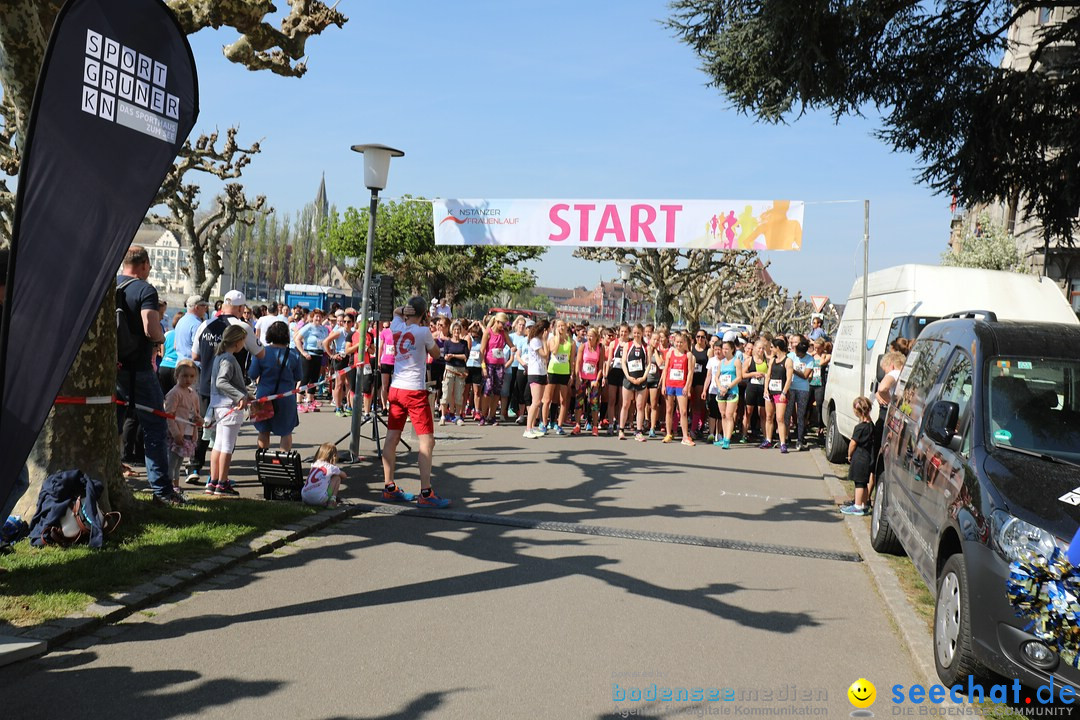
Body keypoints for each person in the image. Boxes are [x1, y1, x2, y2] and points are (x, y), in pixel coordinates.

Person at [115, 246, 185, 505]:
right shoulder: (144, 289)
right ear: (143, 264)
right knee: (155, 425)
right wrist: (159, 339)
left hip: (112, 369)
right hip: (139, 369)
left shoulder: (110, 284)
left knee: (114, 424)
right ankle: (161, 490)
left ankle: (112, 474)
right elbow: (150, 326)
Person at [190, 290, 265, 485]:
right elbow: (261, 353)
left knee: (205, 429)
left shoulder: (205, 324)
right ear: (241, 308)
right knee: (225, 439)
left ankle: (195, 466)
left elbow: (195, 356)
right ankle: (220, 478)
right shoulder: (242, 328)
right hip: (230, 392)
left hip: (206, 384)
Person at [382, 297, 450, 508]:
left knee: (392, 438)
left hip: (396, 388)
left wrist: (401, 310)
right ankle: (426, 492)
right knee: (427, 442)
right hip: (414, 391)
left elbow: (394, 311)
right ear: (424, 314)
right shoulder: (423, 332)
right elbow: (436, 354)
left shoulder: (397, 325)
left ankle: (389, 486)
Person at [205, 324, 254, 496]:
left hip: (219, 404)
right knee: (227, 445)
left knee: (218, 444)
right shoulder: (229, 359)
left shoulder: (219, 356)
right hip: (229, 407)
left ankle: (213, 481)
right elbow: (222, 381)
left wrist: (245, 394)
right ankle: (222, 482)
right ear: (238, 341)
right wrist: (239, 396)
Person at [247, 321, 302, 452]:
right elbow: (298, 376)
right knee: (286, 431)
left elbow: (252, 374)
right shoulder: (294, 354)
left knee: (263, 430)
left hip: (264, 397)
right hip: (286, 397)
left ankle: (262, 461)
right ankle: (283, 464)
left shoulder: (262, 352)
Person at [164, 359, 201, 498]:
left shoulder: (193, 393)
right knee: (172, 462)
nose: (188, 379)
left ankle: (176, 485)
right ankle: (168, 486)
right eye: (184, 376)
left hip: (188, 433)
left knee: (179, 463)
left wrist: (199, 421)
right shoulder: (175, 393)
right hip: (177, 434)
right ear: (177, 376)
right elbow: (169, 415)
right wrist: (175, 433)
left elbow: (196, 413)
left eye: (191, 376)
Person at [661, 332, 695, 446]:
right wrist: (663, 385)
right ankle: (668, 433)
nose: (679, 344)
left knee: (683, 411)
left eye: (681, 342)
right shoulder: (670, 353)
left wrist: (687, 386)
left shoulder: (688, 355)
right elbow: (665, 369)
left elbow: (690, 372)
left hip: (681, 385)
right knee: (669, 410)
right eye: (677, 342)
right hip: (670, 384)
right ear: (674, 342)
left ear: (685, 342)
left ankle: (685, 436)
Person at [294, 307, 329, 411]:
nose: (318, 318)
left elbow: (326, 342)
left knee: (314, 379)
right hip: (308, 355)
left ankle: (310, 400)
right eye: (316, 316)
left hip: (318, 355)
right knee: (304, 378)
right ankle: (299, 401)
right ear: (312, 317)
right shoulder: (308, 327)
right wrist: (303, 352)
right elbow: (297, 339)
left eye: (320, 316)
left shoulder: (323, 329)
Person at [762, 337, 793, 453]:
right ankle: (768, 439)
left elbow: (789, 378)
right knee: (769, 416)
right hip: (770, 391)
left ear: (777, 348)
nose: (771, 349)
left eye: (772, 347)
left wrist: (784, 392)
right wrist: (766, 389)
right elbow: (768, 375)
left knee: (780, 418)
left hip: (781, 392)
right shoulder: (772, 360)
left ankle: (783, 442)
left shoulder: (788, 361)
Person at [544, 319, 575, 434]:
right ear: (556, 328)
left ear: (567, 328)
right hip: (552, 371)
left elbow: (572, 360)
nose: (561, 328)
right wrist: (557, 338)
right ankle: (544, 423)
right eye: (559, 326)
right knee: (547, 399)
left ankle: (559, 425)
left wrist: (572, 374)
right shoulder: (552, 340)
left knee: (563, 400)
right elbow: (554, 351)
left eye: (563, 326)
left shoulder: (571, 342)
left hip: (564, 372)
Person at [479, 312, 511, 425]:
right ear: (496, 322)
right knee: (487, 390)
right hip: (489, 364)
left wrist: (514, 348)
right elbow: (482, 351)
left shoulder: (504, 333)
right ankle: (483, 415)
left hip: (500, 365)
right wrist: (483, 367)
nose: (503, 326)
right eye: (502, 323)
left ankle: (491, 416)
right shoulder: (488, 332)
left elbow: (510, 344)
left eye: (504, 324)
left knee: (497, 391)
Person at [573, 326, 606, 435]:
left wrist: (597, 379)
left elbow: (601, 366)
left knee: (594, 403)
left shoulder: (600, 348)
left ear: (597, 337)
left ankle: (595, 426)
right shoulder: (583, 346)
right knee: (579, 402)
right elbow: (577, 363)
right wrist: (577, 378)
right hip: (583, 378)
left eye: (592, 336)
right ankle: (577, 424)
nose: (589, 338)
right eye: (588, 336)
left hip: (593, 379)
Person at [619, 323, 649, 441]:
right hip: (629, 378)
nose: (636, 335)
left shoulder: (646, 347)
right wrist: (628, 376)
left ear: (642, 334)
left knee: (640, 406)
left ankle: (639, 431)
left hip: (641, 379)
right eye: (635, 333)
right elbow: (623, 362)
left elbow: (648, 364)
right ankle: (621, 430)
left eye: (639, 333)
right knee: (625, 404)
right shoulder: (628, 345)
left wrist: (643, 378)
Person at [323, 311, 355, 417]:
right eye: (344, 321)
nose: (345, 323)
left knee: (349, 383)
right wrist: (332, 355)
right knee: (339, 384)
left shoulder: (353, 332)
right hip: (340, 358)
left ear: (352, 323)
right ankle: (338, 407)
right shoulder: (339, 332)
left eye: (348, 321)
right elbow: (325, 342)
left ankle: (349, 406)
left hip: (350, 358)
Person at [788, 336, 816, 451]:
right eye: (797, 353)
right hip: (790, 387)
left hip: (803, 389)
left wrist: (792, 370)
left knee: (800, 415)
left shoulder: (810, 359)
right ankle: (784, 438)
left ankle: (800, 439)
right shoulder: (790, 356)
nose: (798, 356)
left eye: (801, 354)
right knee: (787, 413)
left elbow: (805, 375)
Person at [523, 319, 551, 439]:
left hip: (542, 372)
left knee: (538, 402)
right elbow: (545, 354)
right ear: (544, 330)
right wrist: (545, 341)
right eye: (548, 330)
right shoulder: (535, 340)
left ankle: (532, 427)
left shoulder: (539, 340)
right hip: (535, 373)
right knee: (536, 402)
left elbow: (546, 358)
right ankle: (528, 428)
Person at [440, 320, 469, 427]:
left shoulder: (464, 343)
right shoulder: (447, 342)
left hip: (460, 370)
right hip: (450, 370)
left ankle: (458, 416)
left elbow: (465, 356)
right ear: (452, 331)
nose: (456, 331)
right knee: (446, 392)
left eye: (458, 329)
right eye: (455, 329)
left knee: (458, 394)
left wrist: (454, 356)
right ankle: (443, 416)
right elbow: (445, 355)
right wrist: (448, 356)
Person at [741, 339, 769, 443]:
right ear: (755, 349)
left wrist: (765, 376)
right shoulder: (749, 360)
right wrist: (754, 374)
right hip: (751, 387)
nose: (761, 350)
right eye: (759, 348)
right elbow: (743, 375)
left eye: (763, 348)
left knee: (763, 414)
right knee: (748, 412)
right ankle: (744, 434)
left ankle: (766, 437)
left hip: (762, 388)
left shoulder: (767, 361)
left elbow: (769, 375)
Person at [303, 442, 346, 508]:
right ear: (334, 456)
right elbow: (344, 475)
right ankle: (332, 500)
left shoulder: (314, 464)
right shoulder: (331, 468)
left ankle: (321, 501)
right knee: (337, 478)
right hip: (319, 498)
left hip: (305, 497)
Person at [604, 324, 629, 430]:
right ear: (619, 332)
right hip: (614, 372)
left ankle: (619, 423)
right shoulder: (614, 343)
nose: (623, 334)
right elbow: (609, 359)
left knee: (621, 400)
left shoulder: (629, 344)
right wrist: (605, 375)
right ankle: (610, 423)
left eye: (625, 332)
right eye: (622, 331)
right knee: (612, 399)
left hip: (624, 373)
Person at [157, 310, 185, 395]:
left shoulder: (167, 334)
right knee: (176, 395)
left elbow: (162, 353)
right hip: (176, 367)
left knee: (164, 395)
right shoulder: (183, 335)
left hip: (164, 366)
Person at [690, 329, 710, 439]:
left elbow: (710, 367)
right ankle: (693, 424)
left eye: (702, 337)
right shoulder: (691, 349)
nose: (700, 339)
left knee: (699, 404)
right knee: (691, 404)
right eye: (698, 336)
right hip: (691, 378)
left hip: (702, 379)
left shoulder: (708, 351)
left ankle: (698, 427)